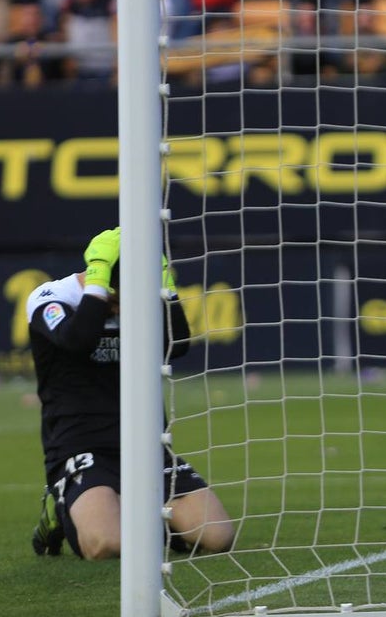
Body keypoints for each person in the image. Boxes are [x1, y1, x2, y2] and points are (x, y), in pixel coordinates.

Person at [28, 227, 235, 559]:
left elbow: (177, 344)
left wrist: (166, 285)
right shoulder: (50, 297)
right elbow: (78, 340)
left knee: (217, 537)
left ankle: (135, 510)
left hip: (147, 447)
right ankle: (62, 507)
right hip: (82, 447)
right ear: (104, 278)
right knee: (108, 544)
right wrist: (97, 288)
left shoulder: (139, 298)